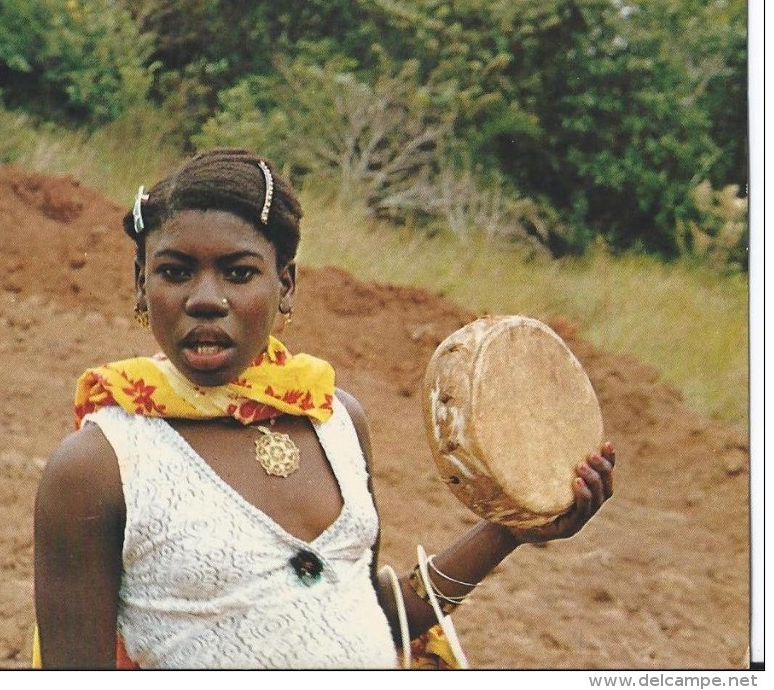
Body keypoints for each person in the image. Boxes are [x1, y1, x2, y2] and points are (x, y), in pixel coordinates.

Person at [32, 147, 615, 670]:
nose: (206, 299)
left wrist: (509, 530)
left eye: (239, 273)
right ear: (141, 285)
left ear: (285, 286)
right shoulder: (99, 466)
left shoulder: (333, 419)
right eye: (174, 271)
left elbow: (361, 616)